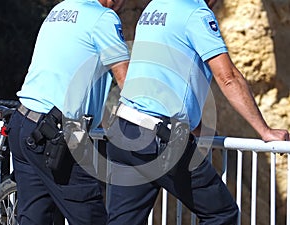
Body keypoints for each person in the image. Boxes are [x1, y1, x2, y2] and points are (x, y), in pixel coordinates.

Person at [105, 0, 290, 225]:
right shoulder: (196, 13)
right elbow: (228, 77)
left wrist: (196, 126)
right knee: (221, 214)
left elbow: (166, 73)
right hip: (158, 139)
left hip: (124, 129)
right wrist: (265, 131)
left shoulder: (155, 8)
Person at [7, 0, 129, 224]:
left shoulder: (61, 8)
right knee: (90, 218)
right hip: (55, 136)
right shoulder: (103, 18)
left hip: (24, 123)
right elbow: (126, 80)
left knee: (35, 217)